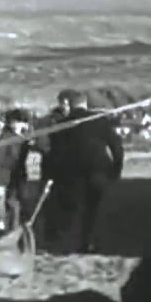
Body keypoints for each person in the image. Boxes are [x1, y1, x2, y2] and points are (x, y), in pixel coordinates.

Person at [47, 91, 124, 254]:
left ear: (70, 105)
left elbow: (55, 152)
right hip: (98, 168)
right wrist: (117, 168)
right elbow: (116, 146)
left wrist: (53, 174)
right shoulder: (100, 120)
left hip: (72, 172)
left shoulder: (63, 124)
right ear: (85, 104)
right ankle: (88, 242)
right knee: (93, 207)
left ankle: (67, 242)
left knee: (73, 207)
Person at [31, 89, 78, 249]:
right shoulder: (49, 121)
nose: (66, 106)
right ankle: (51, 233)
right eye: (63, 103)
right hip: (51, 164)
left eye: (68, 103)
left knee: (69, 198)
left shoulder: (78, 119)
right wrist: (51, 151)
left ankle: (66, 229)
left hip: (71, 166)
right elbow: (41, 140)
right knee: (49, 199)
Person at [0, 108, 33, 247]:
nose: (22, 125)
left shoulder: (23, 138)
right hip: (2, 181)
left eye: (24, 122)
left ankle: (12, 240)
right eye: (19, 122)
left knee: (16, 210)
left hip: (16, 181)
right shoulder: (5, 138)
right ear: (11, 122)